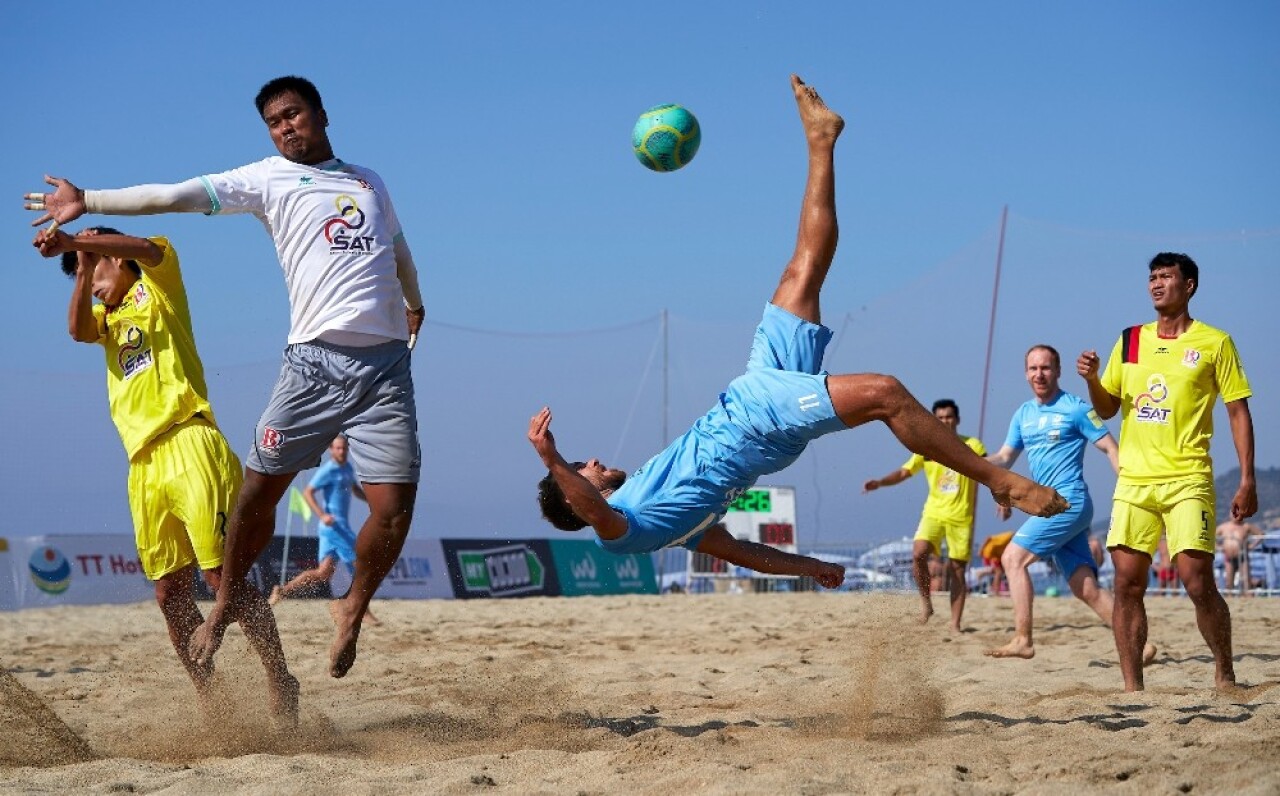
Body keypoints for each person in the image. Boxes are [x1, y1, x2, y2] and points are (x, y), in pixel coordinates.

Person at [527, 75, 1067, 588]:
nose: (591, 463)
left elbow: (745, 555)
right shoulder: (622, 531)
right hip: (758, 420)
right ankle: (998, 479)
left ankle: (821, 140)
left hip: (751, 395)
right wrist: (552, 459)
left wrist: (810, 566)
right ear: (576, 499)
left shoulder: (670, 521)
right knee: (886, 393)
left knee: (802, 270)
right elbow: (595, 506)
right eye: (582, 469)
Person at [26, 76, 425, 680]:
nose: (285, 127)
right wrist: (91, 199)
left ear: (320, 113)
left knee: (393, 511)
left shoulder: (368, 180)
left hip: (382, 365)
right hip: (298, 371)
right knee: (248, 507)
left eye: (293, 114)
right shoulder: (268, 178)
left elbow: (396, 247)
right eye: (274, 121)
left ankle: (346, 612)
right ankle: (219, 640)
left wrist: (416, 300)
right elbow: (177, 195)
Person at [32, 226, 298, 722]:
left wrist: (84, 242)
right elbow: (76, 332)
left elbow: (150, 250)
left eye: (96, 267)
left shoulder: (158, 283)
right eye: (83, 274)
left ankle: (280, 677)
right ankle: (212, 700)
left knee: (221, 576)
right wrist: (80, 260)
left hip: (189, 440)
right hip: (142, 463)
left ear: (119, 258)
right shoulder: (104, 317)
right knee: (168, 593)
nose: (90, 282)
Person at [1077, 252, 1255, 692]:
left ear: (1189, 285)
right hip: (1134, 480)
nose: (1156, 284)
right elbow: (1107, 408)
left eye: (1166, 277)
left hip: (1188, 478)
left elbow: (1237, 410)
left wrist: (1248, 477)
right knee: (1126, 584)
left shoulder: (1215, 342)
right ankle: (1132, 688)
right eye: (1152, 277)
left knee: (1197, 582)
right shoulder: (1131, 339)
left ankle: (1224, 672)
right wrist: (1093, 379)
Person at [984, 344, 1154, 664]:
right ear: (1025, 373)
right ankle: (1140, 646)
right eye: (1033, 368)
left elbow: (1110, 449)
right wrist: (973, 462)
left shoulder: (1076, 408)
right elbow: (1004, 457)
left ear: (1058, 371)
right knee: (1084, 588)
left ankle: (1023, 639)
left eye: (1046, 368)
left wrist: (1131, 488)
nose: (1039, 374)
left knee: (1012, 559)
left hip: (1068, 501)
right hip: (1046, 506)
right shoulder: (1023, 414)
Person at [863, 399, 985, 630]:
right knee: (918, 553)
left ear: (957, 419)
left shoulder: (973, 445)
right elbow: (903, 472)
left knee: (958, 570)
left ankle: (955, 624)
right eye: (940, 418)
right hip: (934, 512)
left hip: (961, 517)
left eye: (949, 417)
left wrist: (1004, 497)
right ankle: (926, 604)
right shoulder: (926, 447)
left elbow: (989, 471)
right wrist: (879, 483)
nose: (945, 421)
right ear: (933, 420)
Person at [270, 436, 379, 625]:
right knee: (360, 567)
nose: (342, 452)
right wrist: (322, 515)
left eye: (344, 449)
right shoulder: (328, 470)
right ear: (331, 450)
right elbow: (308, 492)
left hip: (338, 528)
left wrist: (373, 502)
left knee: (323, 573)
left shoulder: (347, 468)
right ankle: (362, 611)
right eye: (338, 449)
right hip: (334, 528)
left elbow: (354, 489)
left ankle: (282, 591)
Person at [1216, 518, 1264, 595]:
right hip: (1229, 558)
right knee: (1229, 582)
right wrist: (1218, 547)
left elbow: (1261, 534)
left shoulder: (1246, 526)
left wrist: (1252, 546)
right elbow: (1211, 537)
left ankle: (1248, 599)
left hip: (1243, 557)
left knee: (1246, 581)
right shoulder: (1223, 527)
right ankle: (1229, 599)